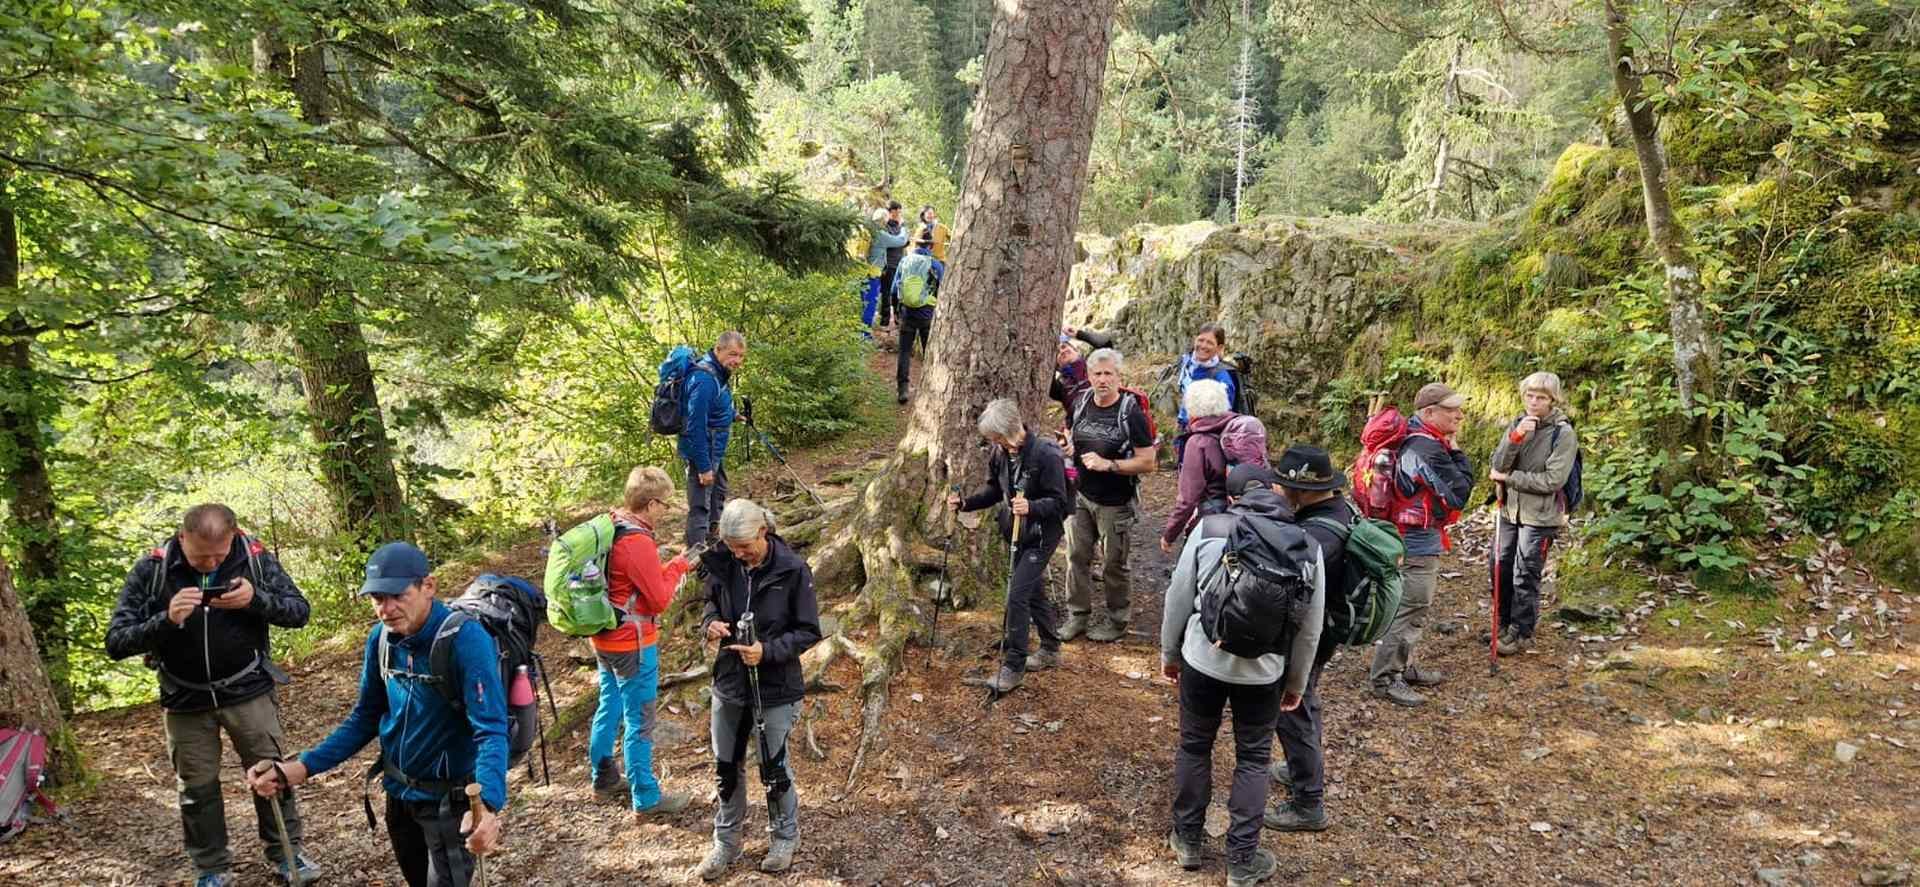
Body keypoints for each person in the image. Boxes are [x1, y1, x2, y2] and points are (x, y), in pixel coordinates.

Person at [245, 542, 506, 887]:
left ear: (428, 586)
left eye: (397, 595)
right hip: (399, 796)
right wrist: (303, 767)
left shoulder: (466, 640)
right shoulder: (380, 639)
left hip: (450, 804)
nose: (386, 609)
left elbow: (489, 729)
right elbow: (365, 717)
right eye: (377, 598)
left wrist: (486, 805)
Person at [104, 504, 318, 887]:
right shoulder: (153, 570)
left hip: (248, 688)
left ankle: (287, 853)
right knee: (197, 788)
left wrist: (256, 600)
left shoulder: (253, 559)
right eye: (201, 556)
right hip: (184, 698)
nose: (211, 564)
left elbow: (299, 611)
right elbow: (116, 641)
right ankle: (210, 868)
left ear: (234, 537)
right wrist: (165, 620)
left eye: (219, 555)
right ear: (181, 538)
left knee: (271, 775)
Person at [1162, 464, 1323, 887]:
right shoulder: (1308, 544)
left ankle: (1188, 841)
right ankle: (1240, 861)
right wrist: (1296, 683)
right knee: (1252, 759)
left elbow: (1179, 595)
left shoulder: (1210, 526)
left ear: (1233, 498)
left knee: (1195, 747)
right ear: (1276, 492)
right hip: (1265, 672)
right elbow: (1310, 628)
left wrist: (1170, 653)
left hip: (1203, 659)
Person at [694, 500, 822, 880]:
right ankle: (726, 842)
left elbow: (808, 631)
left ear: (763, 532)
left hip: (776, 686)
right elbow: (709, 603)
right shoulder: (724, 561)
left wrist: (767, 651)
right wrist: (712, 623)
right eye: (733, 547)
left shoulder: (793, 570)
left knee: (774, 765)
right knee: (725, 768)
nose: (739, 554)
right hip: (730, 683)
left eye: (744, 546)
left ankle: (784, 837)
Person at [589, 466, 696, 817]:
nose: (666, 511)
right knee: (641, 719)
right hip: (632, 643)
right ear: (650, 504)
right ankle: (646, 797)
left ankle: (602, 778)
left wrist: (668, 566)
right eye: (664, 504)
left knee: (609, 704)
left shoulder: (612, 525)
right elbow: (659, 599)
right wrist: (679, 566)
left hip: (604, 637)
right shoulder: (637, 542)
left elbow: (635, 586)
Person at [948, 398, 1071, 693]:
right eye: (992, 440)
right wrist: (966, 503)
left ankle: (1014, 665)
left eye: (997, 438)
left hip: (1042, 533)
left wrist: (1031, 506)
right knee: (1032, 590)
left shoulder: (1046, 454)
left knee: (1016, 595)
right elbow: (994, 489)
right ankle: (1051, 648)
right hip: (1015, 531)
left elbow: (1060, 503)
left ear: (1009, 430)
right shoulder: (1000, 453)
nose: (995, 443)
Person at [1368, 382, 1475, 707]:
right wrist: (1457, 452)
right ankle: (1386, 678)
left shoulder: (1413, 439)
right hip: (1415, 540)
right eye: (1451, 409)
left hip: (1404, 534)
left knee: (1411, 605)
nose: (1459, 414)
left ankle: (1404, 664)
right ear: (1429, 413)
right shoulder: (1425, 448)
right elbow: (1459, 493)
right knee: (1411, 605)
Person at [1263, 446, 1353, 833]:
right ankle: (1301, 766)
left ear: (1300, 489)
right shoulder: (1338, 510)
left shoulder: (1318, 535)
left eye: (1285, 486)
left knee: (1290, 708)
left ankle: (1308, 802)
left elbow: (1288, 577)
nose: (1279, 491)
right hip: (1325, 627)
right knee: (1306, 701)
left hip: (1310, 634)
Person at [1061, 348, 1157, 642]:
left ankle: (1117, 620)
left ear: (1119, 377)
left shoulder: (1131, 413)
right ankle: (1077, 616)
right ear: (1088, 376)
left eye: (1108, 374)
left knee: (1114, 564)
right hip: (1080, 495)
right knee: (1076, 558)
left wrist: (1110, 465)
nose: (1102, 380)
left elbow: (1148, 462)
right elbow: (1070, 435)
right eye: (1097, 374)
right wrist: (1068, 448)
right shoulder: (1080, 403)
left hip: (1115, 503)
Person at [1487, 371, 1579, 657]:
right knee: (1499, 567)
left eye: (1541, 397)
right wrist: (1515, 438)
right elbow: (1497, 464)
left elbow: (1553, 480)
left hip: (1540, 517)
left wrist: (1510, 478)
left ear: (1553, 400)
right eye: (1529, 395)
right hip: (1509, 511)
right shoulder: (1518, 423)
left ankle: (1521, 631)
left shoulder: (1562, 433)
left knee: (1524, 573)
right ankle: (1501, 625)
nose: (1534, 402)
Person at [680, 331, 747, 549]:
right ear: (718, 350)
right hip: (703, 451)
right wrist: (703, 467)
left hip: (714, 449)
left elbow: (715, 406)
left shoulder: (718, 373)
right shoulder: (704, 378)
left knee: (717, 494)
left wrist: (733, 415)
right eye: (732, 354)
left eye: (740, 356)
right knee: (700, 505)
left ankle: (714, 541)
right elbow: (695, 426)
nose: (736, 361)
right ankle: (695, 556)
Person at [1161, 379, 1234, 555]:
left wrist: (1170, 534)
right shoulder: (1234, 431)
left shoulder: (1198, 442)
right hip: (1239, 516)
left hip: (1211, 521)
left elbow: (1188, 498)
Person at [892, 235, 939, 404]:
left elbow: (894, 288)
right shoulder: (935, 264)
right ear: (931, 246)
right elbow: (942, 289)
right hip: (927, 315)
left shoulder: (904, 261)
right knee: (929, 353)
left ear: (915, 245)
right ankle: (931, 391)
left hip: (907, 313)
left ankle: (902, 390)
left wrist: (895, 310)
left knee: (904, 352)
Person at [1173, 323, 1243, 434]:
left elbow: (1222, 417)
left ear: (1219, 348)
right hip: (1185, 429)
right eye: (1201, 340)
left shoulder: (1222, 378)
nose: (1203, 346)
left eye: (1210, 343)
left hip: (1204, 436)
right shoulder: (1188, 363)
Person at [857, 208, 908, 334]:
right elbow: (901, 241)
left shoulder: (867, 232)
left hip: (861, 272)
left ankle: (861, 334)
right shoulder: (880, 235)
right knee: (870, 305)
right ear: (883, 221)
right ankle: (864, 336)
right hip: (872, 274)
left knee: (864, 304)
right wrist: (903, 227)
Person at [1049, 327, 1113, 409]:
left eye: (1064, 346)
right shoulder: (1059, 386)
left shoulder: (1095, 365)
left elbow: (1106, 344)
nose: (1062, 351)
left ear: (1076, 351)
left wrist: (1079, 334)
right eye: (1057, 352)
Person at [876, 201, 908, 329]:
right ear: (890, 212)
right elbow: (896, 241)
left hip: (900, 262)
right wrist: (901, 239)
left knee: (897, 292)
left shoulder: (900, 225)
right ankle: (884, 320)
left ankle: (897, 317)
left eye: (900, 212)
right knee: (886, 292)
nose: (898, 215)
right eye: (896, 212)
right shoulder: (884, 226)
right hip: (888, 264)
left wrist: (902, 239)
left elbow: (905, 240)